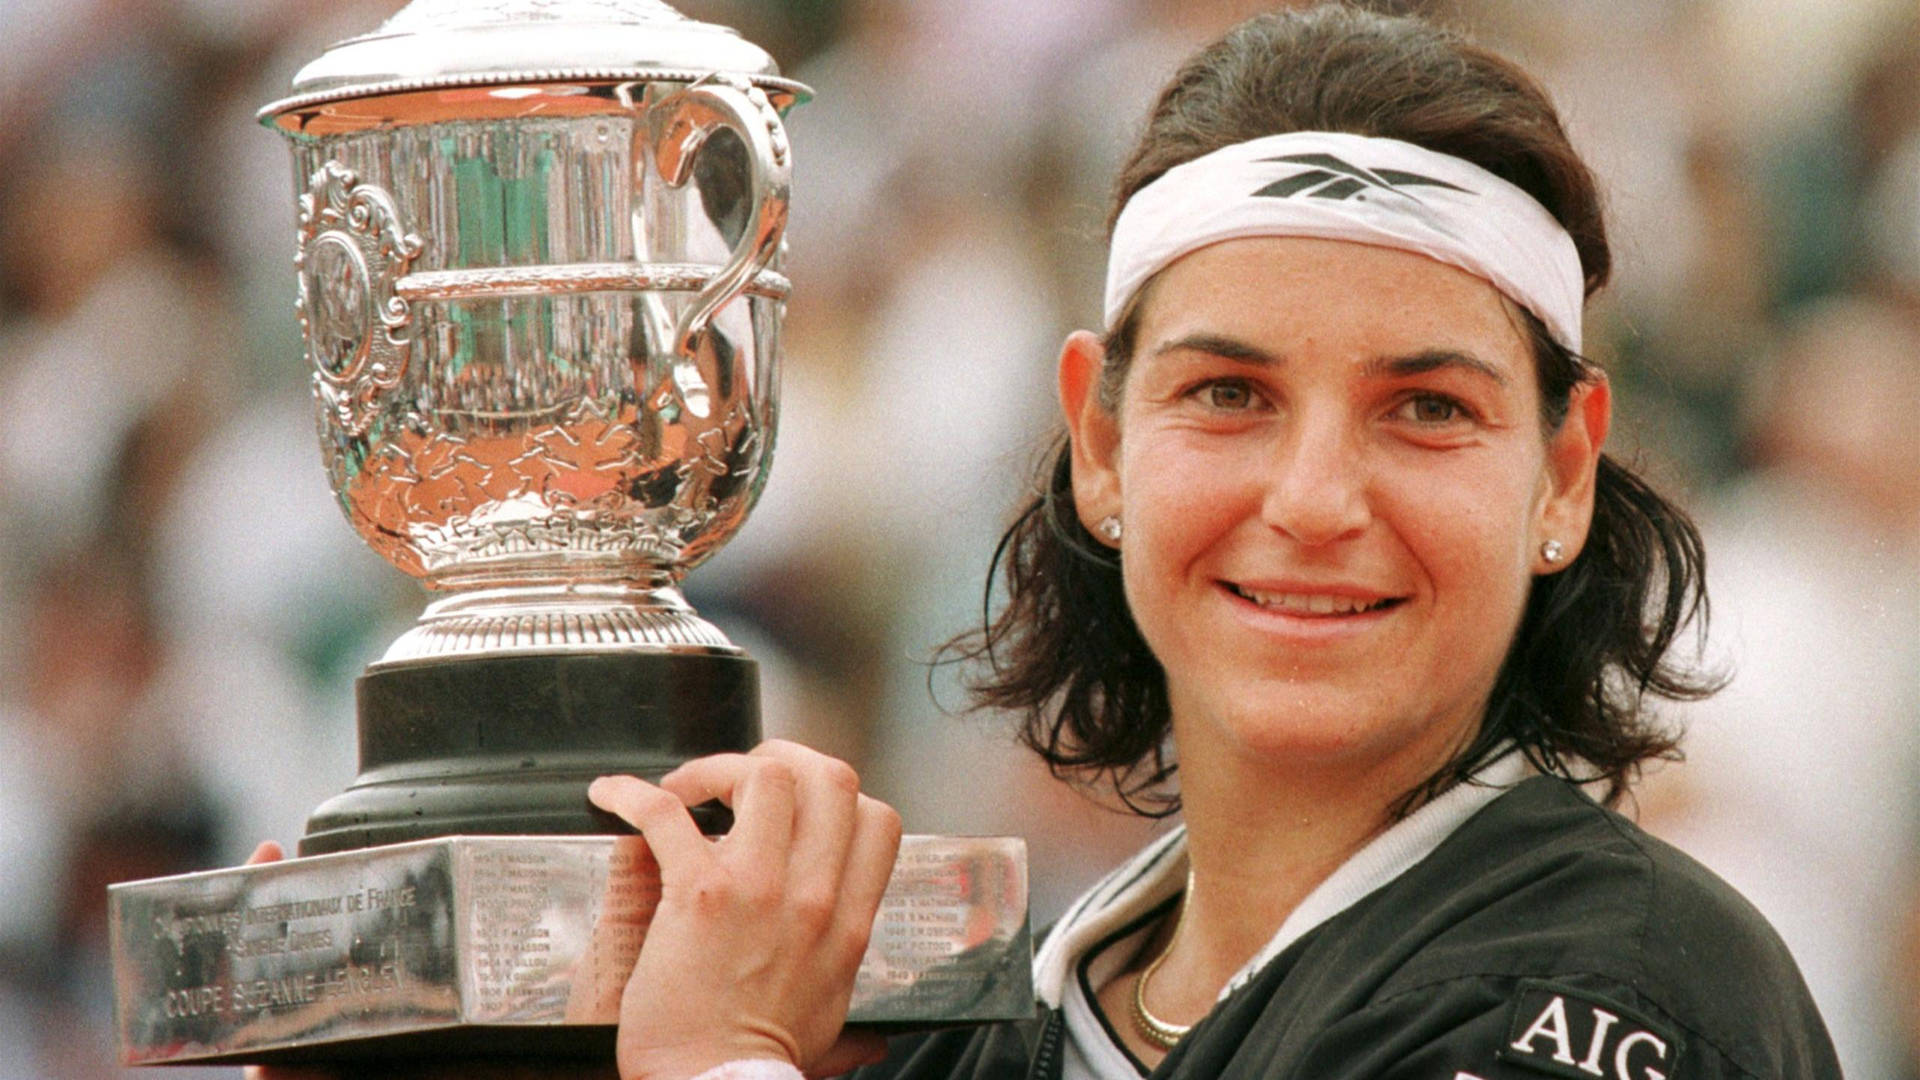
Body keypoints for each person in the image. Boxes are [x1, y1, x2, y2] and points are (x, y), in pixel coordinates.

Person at [254, 5, 1840, 1079]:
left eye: (1427, 411)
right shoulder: (1002, 1019)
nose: (1311, 497)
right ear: (1100, 442)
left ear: (1564, 473)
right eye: (1228, 393)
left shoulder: (1617, 992)